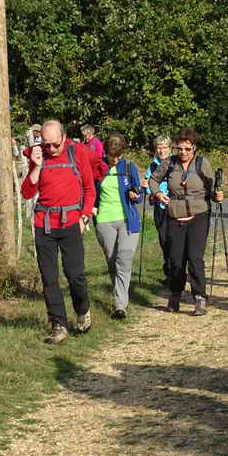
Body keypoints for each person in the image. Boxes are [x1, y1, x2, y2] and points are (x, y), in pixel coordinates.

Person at [21, 119, 98, 344]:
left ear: (64, 137)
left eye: (56, 144)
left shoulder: (77, 152)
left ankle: (82, 310)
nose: (52, 149)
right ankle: (59, 325)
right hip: (44, 223)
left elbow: (89, 188)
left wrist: (84, 216)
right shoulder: (38, 155)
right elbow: (27, 192)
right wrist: (36, 166)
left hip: (71, 222)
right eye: (47, 144)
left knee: (75, 275)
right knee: (49, 278)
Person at [148, 128, 223, 316]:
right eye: (179, 148)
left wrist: (217, 195)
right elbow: (153, 180)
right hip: (175, 216)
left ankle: (200, 297)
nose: (183, 152)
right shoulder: (169, 163)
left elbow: (212, 188)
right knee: (176, 260)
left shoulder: (202, 163)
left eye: (187, 149)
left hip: (199, 216)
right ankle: (176, 293)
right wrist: (157, 193)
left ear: (194, 148)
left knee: (195, 258)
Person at [92, 132, 143, 319]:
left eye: (118, 156)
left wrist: (136, 195)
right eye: (112, 156)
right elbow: (90, 190)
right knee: (112, 261)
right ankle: (118, 296)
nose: (115, 159)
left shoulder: (129, 167)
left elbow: (139, 194)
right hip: (104, 220)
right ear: (106, 152)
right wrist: (91, 207)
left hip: (127, 221)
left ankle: (120, 305)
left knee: (124, 259)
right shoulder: (98, 167)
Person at [140, 135, 173, 278]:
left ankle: (177, 272)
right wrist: (145, 186)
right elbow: (147, 186)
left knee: (175, 241)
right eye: (159, 147)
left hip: (175, 206)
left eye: (165, 147)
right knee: (164, 240)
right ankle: (169, 272)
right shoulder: (153, 165)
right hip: (160, 208)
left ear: (170, 148)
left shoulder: (176, 163)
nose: (162, 151)